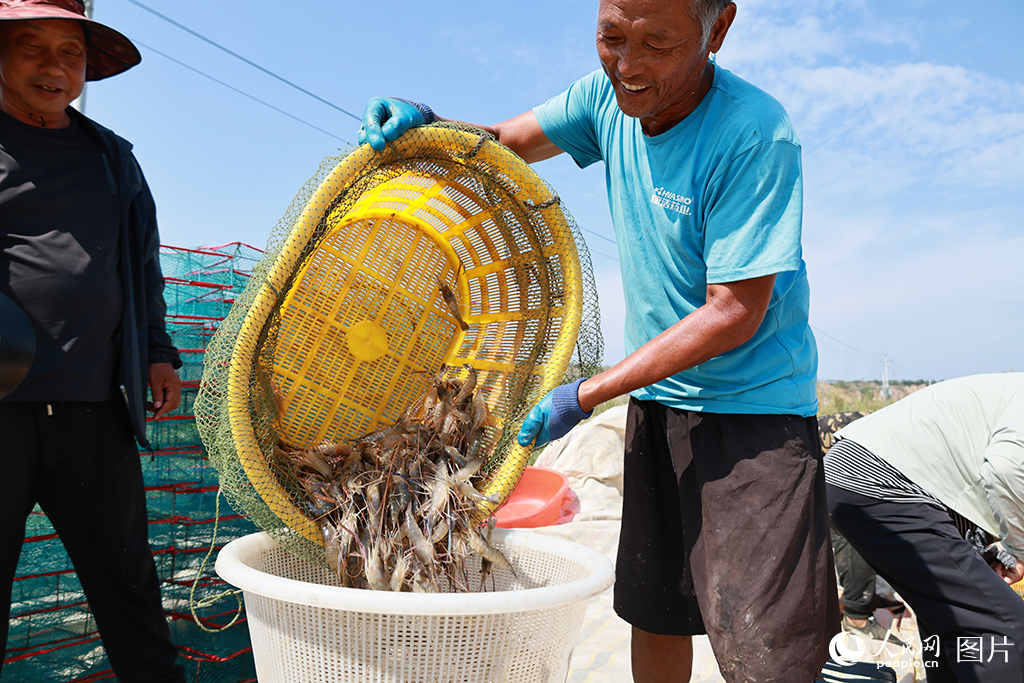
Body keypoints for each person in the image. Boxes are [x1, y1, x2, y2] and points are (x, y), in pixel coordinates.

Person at [359, 1, 839, 680]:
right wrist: (431, 123)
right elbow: (503, 140)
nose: (628, 65)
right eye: (611, 37)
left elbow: (734, 311)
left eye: (657, 44)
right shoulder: (604, 99)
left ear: (718, 29)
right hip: (658, 404)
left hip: (753, 420)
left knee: (768, 651)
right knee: (655, 611)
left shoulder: (754, 133)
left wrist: (585, 395)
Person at [0, 1, 186, 681]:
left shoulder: (113, 158)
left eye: (70, 52)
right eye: (31, 46)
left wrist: (158, 351)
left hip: (94, 406)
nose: (54, 66)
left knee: (129, 584)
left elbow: (141, 263)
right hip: (2, 412)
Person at [825, 373, 1024, 681]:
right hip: (880, 482)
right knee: (1002, 628)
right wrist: (1018, 548)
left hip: (865, 480)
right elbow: (1006, 469)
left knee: (954, 618)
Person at [819, 412, 907, 646]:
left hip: (837, 462)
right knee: (853, 529)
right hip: (813, 468)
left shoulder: (897, 435)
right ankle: (856, 618)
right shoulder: (891, 442)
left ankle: (861, 597)